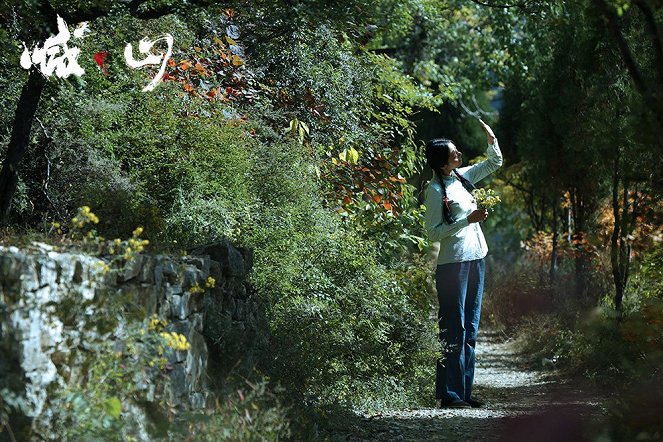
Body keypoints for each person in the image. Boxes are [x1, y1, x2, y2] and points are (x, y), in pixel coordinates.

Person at [423, 119, 503, 408]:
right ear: (443, 163)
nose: (459, 154)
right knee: (453, 328)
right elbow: (432, 232)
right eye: (454, 153)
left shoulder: (462, 178)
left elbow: (494, 162)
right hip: (452, 265)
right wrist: (465, 220)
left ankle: (465, 393)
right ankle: (449, 395)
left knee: (470, 326)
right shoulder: (434, 191)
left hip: (476, 258)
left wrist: (491, 138)